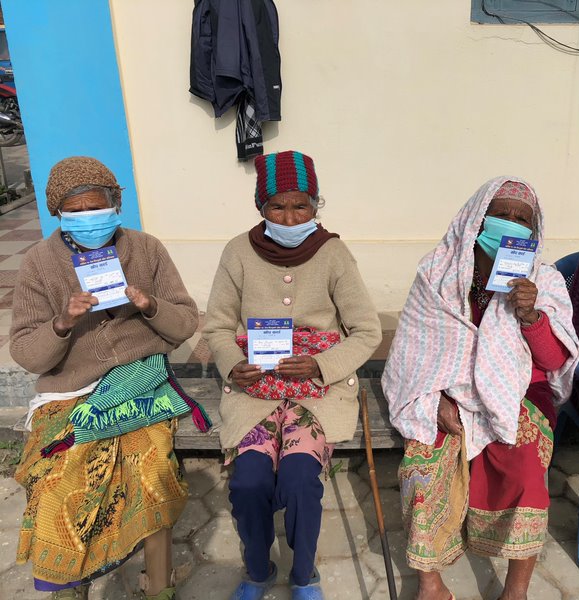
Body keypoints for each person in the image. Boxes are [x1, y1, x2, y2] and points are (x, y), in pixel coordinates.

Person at [10, 156, 208, 600]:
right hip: (71, 390)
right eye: (75, 212)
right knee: (56, 478)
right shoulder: (40, 263)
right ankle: (69, 583)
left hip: (142, 383)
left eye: (97, 209)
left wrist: (149, 305)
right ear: (57, 212)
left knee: (150, 469)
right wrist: (61, 323)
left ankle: (158, 583)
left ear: (117, 205)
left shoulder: (146, 249)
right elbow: (25, 351)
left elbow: (184, 323)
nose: (88, 219)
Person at [382, 177, 579, 600]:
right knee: (423, 462)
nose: (511, 224)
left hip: (521, 391)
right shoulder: (438, 272)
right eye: (501, 215)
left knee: (525, 461)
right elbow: (412, 351)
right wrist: (432, 402)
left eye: (521, 219)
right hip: (446, 389)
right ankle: (431, 584)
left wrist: (531, 317)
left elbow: (555, 364)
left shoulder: (543, 281)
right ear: (478, 219)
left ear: (533, 229)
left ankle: (516, 590)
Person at [203, 150, 382, 600]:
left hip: (318, 392)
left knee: (301, 478)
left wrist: (323, 366)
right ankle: (258, 570)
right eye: (277, 205)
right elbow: (218, 326)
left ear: (315, 205)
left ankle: (304, 574)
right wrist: (231, 363)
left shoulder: (334, 253)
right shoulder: (237, 251)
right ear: (260, 206)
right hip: (255, 389)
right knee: (249, 481)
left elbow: (366, 331)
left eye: (300, 205)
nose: (288, 216)